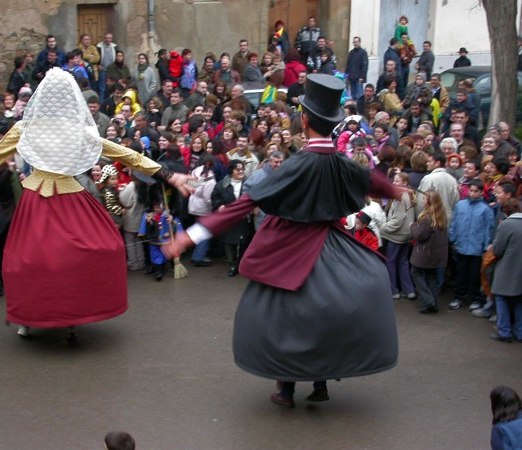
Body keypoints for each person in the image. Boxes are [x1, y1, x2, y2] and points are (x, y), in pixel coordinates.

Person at [165, 74, 400, 408]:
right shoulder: (342, 162)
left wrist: (190, 235)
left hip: (291, 253)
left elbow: (245, 204)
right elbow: (373, 182)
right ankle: (320, 383)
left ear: (303, 119)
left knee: (282, 320)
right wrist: (399, 191)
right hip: (334, 245)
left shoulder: (297, 165)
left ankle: (286, 390)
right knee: (327, 319)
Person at [0, 68, 192, 338]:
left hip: (53, 197)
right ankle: (31, 314)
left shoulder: (66, 130)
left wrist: (169, 176)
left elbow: (124, 154)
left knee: (59, 256)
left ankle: (66, 312)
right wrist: (168, 175)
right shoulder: (29, 128)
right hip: (51, 199)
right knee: (28, 259)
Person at [448, 179, 494, 310]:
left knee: (474, 276)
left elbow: (488, 229)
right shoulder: (460, 205)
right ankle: (459, 297)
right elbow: (454, 224)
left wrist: (485, 247)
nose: (472, 193)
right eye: (471, 190)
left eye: (476, 191)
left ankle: (475, 299)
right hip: (461, 246)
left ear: (481, 192)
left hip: (476, 248)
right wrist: (453, 239)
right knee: (460, 274)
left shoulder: (485, 210)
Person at [410, 190, 449, 313]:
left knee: (415, 273)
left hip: (425, 252)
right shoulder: (441, 216)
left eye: (424, 198)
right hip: (435, 253)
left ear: (429, 201)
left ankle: (428, 300)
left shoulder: (428, 218)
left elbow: (420, 235)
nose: (422, 200)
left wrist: (413, 225)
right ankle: (431, 305)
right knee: (431, 276)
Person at [380, 172, 417, 300]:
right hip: (407, 234)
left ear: (405, 183)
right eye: (394, 181)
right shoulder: (409, 195)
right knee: (403, 261)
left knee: (390, 261)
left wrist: (382, 228)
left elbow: (397, 221)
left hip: (397, 236)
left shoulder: (401, 197)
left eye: (397, 181)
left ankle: (394, 290)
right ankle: (409, 290)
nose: (394, 183)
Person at [490, 202, 522, 342]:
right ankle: (520, 332)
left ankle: (504, 332)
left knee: (501, 298)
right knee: (519, 301)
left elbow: (497, 250)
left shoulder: (506, 225)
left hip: (506, 269)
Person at [138, 197, 183, 281]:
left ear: (163, 207)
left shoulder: (168, 215)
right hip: (154, 239)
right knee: (154, 254)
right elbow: (147, 226)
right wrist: (150, 222)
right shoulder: (150, 215)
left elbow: (176, 224)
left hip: (165, 240)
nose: (156, 209)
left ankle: (163, 267)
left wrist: (169, 232)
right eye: (154, 207)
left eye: (158, 207)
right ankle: (158, 271)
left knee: (165, 253)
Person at [346, 36, 368, 100]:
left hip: (359, 79)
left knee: (359, 96)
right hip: (352, 78)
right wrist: (347, 74)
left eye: (356, 42)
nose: (355, 43)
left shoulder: (363, 53)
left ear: (359, 42)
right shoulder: (351, 53)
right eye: (354, 42)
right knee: (353, 95)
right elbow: (348, 64)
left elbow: (365, 66)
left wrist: (362, 76)